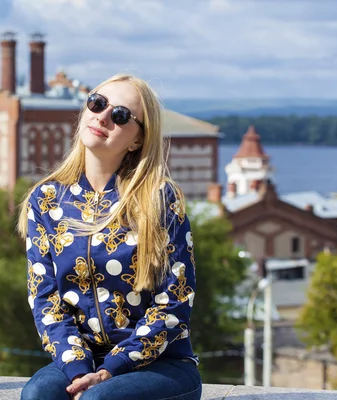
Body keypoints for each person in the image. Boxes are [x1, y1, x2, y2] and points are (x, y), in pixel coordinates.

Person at [17, 73, 201, 400]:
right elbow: (46, 300)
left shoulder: (159, 199)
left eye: (120, 116)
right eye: (97, 103)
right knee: (37, 396)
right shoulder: (45, 199)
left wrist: (109, 370)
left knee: (98, 399)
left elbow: (173, 302)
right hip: (81, 360)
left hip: (162, 364)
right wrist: (78, 370)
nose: (102, 117)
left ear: (136, 141)